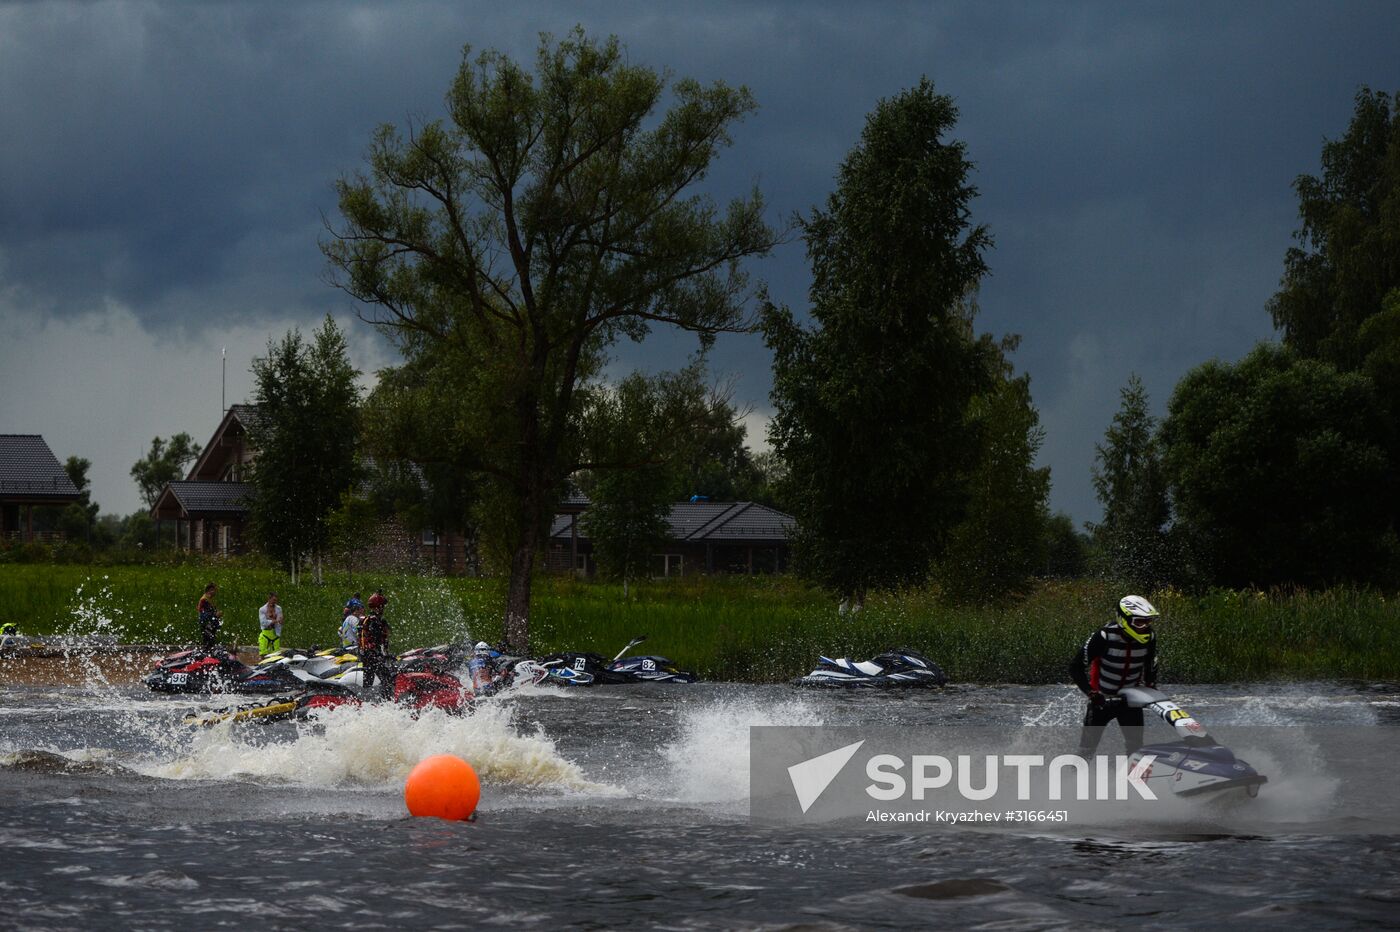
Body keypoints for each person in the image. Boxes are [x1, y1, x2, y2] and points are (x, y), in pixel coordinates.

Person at [1070, 595, 1160, 757]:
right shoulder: (1104, 636)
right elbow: (1075, 667)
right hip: (1101, 701)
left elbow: (1150, 665)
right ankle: (1075, 773)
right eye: (1140, 622)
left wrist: (1150, 686)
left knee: (1136, 749)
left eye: (1148, 622)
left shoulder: (1150, 637)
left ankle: (1131, 774)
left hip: (1130, 701)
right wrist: (1090, 693)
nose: (1145, 627)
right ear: (1124, 620)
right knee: (1087, 750)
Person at [359, 609, 392, 699]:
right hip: (373, 656)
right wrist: (385, 655)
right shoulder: (376, 623)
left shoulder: (367, 620)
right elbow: (378, 642)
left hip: (366, 657)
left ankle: (365, 699)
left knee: (368, 680)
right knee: (387, 678)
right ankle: (387, 700)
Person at [257, 592, 284, 657]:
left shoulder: (279, 608)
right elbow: (263, 622)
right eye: (273, 600)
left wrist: (281, 621)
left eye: (276, 600)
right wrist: (275, 621)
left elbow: (280, 621)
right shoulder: (262, 609)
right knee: (263, 655)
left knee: (276, 656)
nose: (275, 602)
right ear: (269, 599)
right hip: (265, 634)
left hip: (275, 634)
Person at [197, 583, 223, 650]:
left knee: (211, 640)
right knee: (208, 640)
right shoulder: (204, 599)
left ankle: (209, 652)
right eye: (215, 590)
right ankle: (207, 652)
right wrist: (215, 615)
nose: (216, 592)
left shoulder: (209, 599)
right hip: (207, 623)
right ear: (210, 590)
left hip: (210, 623)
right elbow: (201, 612)